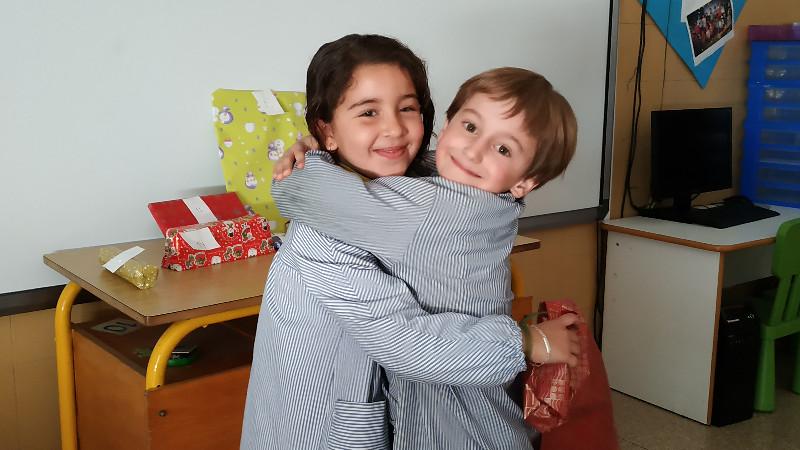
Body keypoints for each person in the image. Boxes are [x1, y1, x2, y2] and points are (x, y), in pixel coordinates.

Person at [270, 64, 578, 449]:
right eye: (470, 127)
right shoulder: (488, 203)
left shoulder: (425, 210)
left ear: (524, 182)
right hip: (482, 395)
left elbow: (296, 192)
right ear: (446, 126)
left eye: (503, 149)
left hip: (453, 411)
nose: (473, 150)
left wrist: (311, 157)